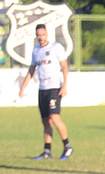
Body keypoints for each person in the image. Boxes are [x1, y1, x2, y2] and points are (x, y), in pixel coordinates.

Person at [18, 24, 73, 160]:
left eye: (43, 34)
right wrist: (23, 87)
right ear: (36, 35)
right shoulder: (36, 50)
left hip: (54, 88)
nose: (41, 37)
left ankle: (67, 146)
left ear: (47, 34)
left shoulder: (56, 47)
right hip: (42, 89)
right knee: (45, 121)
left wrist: (65, 85)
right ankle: (47, 151)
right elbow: (32, 70)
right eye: (38, 35)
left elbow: (64, 66)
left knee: (55, 117)